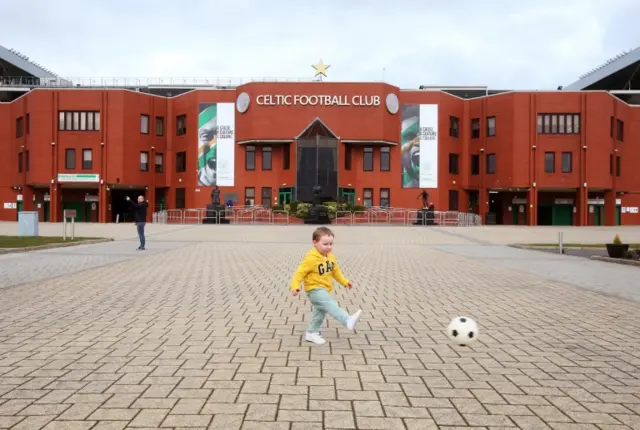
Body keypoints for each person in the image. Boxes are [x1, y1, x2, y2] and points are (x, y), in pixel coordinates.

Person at [290, 226, 362, 345]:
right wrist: (295, 286)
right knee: (330, 303)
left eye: (331, 244)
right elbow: (299, 273)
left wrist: (345, 282)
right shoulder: (311, 258)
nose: (329, 247)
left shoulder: (330, 257)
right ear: (315, 242)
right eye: (325, 244)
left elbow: (336, 272)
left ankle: (311, 333)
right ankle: (347, 320)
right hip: (314, 289)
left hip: (324, 289)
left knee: (320, 312)